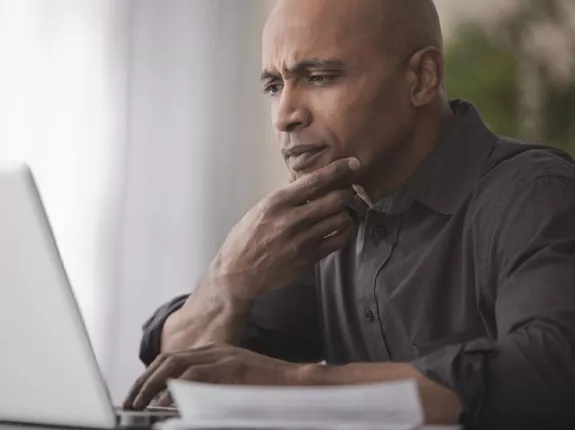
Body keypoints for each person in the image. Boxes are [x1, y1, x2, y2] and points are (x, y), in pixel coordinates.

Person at [123, 0, 575, 428]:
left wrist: (295, 383)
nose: (285, 116)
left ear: (421, 78)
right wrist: (227, 281)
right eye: (274, 86)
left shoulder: (533, 193)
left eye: (319, 76)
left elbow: (551, 371)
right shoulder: (329, 219)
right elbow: (179, 375)